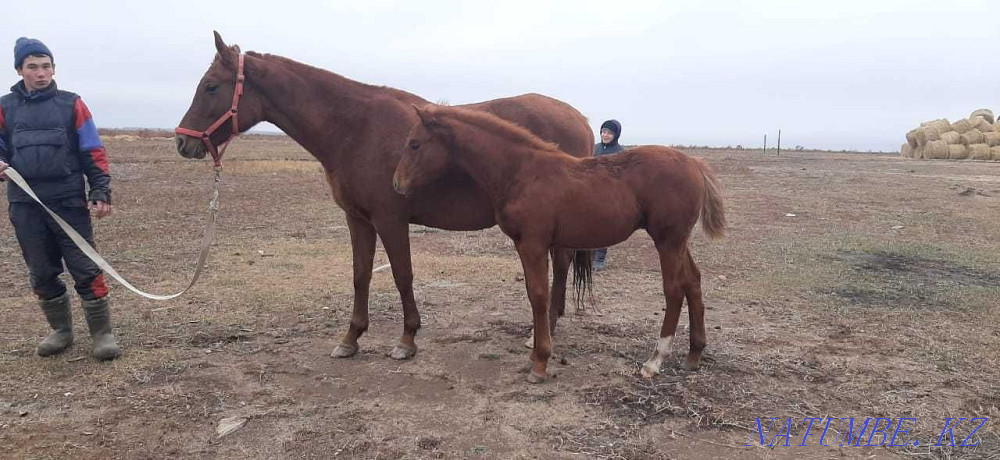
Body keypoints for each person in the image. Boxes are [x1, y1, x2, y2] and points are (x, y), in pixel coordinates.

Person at [0, 37, 120, 360]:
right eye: (33, 67)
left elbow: (92, 148)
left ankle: (102, 333)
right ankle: (61, 331)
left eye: (46, 66)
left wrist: (100, 190)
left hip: (67, 201)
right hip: (25, 204)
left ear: (53, 69)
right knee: (40, 269)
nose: (41, 73)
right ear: (19, 70)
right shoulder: (5, 107)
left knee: (85, 266)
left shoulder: (72, 104)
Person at [592, 119, 625, 271]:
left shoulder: (621, 152)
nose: (605, 135)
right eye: (604, 131)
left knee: (602, 225)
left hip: (610, 193)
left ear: (616, 135)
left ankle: (600, 258)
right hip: (591, 191)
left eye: (609, 133)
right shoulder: (595, 148)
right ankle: (589, 254)